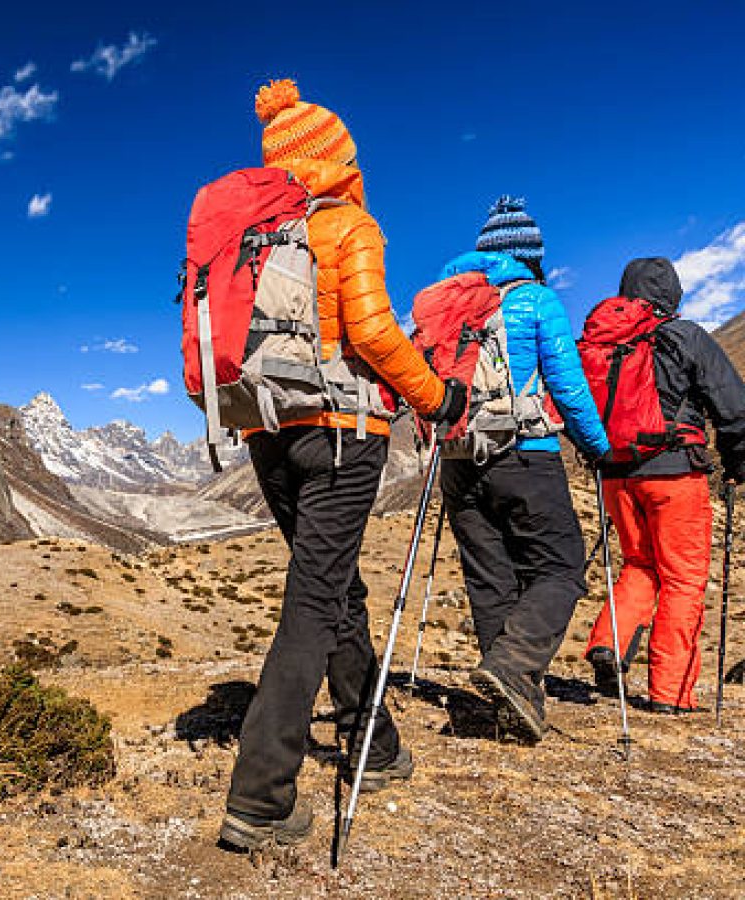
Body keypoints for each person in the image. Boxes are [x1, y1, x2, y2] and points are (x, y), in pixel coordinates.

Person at [218, 79, 466, 851]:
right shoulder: (348, 226)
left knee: (332, 585)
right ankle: (261, 795)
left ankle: (373, 744)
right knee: (316, 596)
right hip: (340, 431)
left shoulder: (254, 237)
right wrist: (435, 396)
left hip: (266, 433)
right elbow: (373, 330)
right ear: (337, 160)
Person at [430, 197, 611, 744]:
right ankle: (512, 667)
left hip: (459, 459)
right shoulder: (535, 300)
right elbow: (569, 389)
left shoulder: (445, 303)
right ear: (530, 255)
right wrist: (596, 447)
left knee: (490, 578)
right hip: (523, 451)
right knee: (560, 565)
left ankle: (516, 706)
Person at [584, 258, 745, 713]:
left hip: (617, 477)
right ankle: (670, 693)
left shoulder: (605, 339)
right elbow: (733, 405)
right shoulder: (685, 335)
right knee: (683, 579)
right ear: (671, 295)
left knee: (640, 564)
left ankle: (609, 643)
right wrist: (737, 463)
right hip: (675, 475)